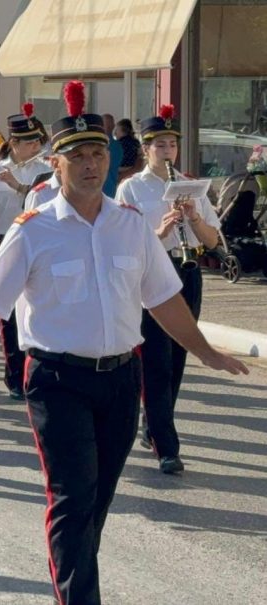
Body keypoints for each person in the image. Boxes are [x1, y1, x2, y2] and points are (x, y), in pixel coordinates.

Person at [0, 80, 248, 605]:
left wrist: (205, 351)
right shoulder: (33, 229)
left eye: (98, 153)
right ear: (56, 164)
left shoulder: (131, 226)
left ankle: (74, 580)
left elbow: (163, 299)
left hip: (120, 378)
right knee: (72, 496)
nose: (91, 164)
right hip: (57, 379)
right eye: (78, 155)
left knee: (98, 500)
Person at [115, 104, 222, 475]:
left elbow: (211, 241)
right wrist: (160, 232)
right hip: (151, 274)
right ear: (146, 149)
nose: (167, 150)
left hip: (187, 273)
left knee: (178, 359)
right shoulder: (130, 188)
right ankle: (167, 446)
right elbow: (123, 243)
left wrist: (192, 217)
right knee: (156, 362)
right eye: (159, 144)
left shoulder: (191, 184)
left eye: (171, 144)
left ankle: (154, 425)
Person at [0, 104, 52, 400]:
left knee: (36, 303)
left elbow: (45, 204)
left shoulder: (48, 169)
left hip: (40, 239)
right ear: (13, 144)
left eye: (38, 140)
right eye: (29, 141)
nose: (36, 146)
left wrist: (17, 185)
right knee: (7, 309)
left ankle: (37, 370)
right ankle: (15, 376)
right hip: (2, 239)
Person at [102, 114, 124, 197]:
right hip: (112, 189)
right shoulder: (118, 146)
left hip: (104, 189)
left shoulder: (96, 145)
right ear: (114, 126)